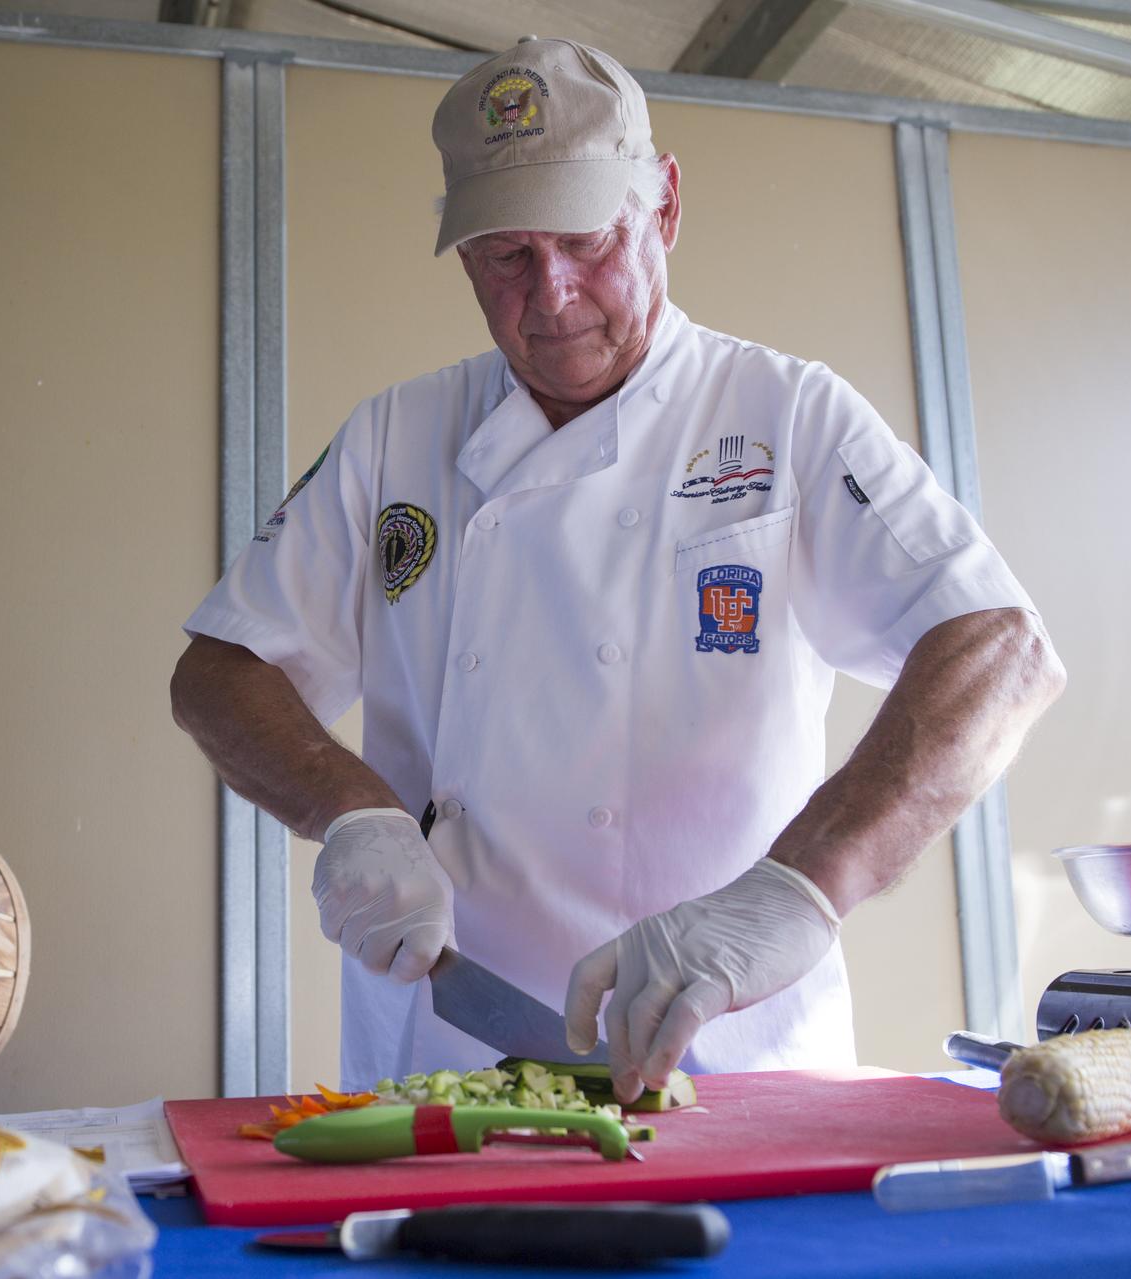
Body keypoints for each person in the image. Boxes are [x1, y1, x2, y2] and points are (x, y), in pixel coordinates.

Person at [171, 37, 1065, 1102]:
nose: (550, 294)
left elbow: (1000, 652)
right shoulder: (394, 438)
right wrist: (350, 811)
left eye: (586, 240)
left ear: (665, 205)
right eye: (506, 254)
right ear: (461, 255)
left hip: (734, 1064)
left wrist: (801, 891)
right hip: (446, 1066)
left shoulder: (785, 414)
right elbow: (221, 673)